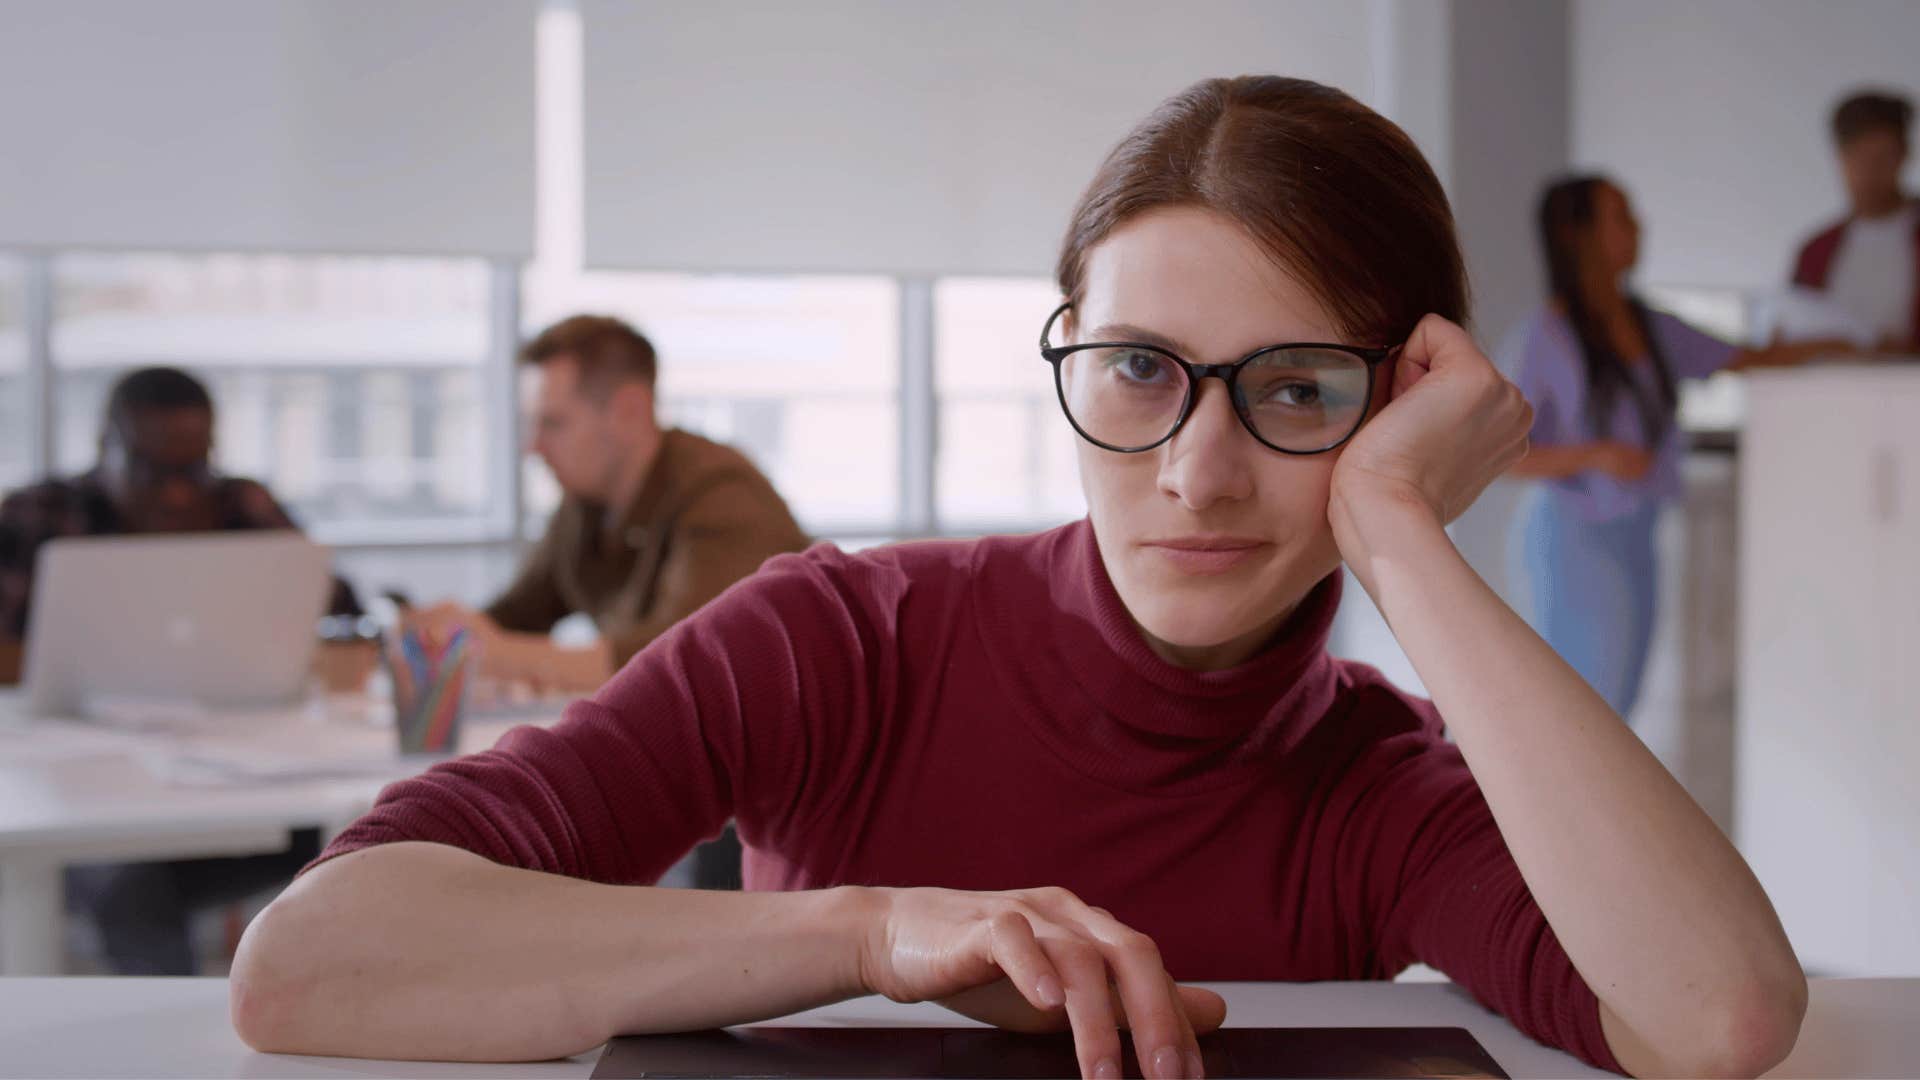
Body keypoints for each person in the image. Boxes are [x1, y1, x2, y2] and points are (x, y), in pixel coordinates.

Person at [232, 78, 1806, 1079]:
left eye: (1301, 390)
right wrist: (871, 940)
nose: (1197, 471)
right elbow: (313, 962)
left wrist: (1401, 533)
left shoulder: (1372, 785)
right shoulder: (842, 638)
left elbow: (1718, 1017)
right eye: (1136, 370)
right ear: (1065, 354)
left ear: (1404, 406)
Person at [0, 365, 361, 974]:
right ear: (104, 450)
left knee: (365, 841)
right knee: (131, 888)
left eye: (194, 471)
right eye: (153, 471)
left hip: (236, 780)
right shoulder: (39, 514)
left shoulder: (241, 505)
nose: (177, 494)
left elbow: (337, 610)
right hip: (78, 796)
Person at [1505, 176, 1856, 720]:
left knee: (1622, 700)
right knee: (1584, 710)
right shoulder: (1545, 336)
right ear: (1578, 235)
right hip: (1573, 540)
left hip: (1638, 534)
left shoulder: (1650, 325)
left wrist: (1844, 344)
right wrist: (1595, 454)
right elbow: (1505, 455)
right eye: (1621, 216)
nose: (1638, 228)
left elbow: (1747, 358)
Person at [405, 315, 809, 694]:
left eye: (554, 423)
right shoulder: (585, 503)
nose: (533, 447)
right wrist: (449, 633)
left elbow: (684, 663)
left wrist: (494, 653)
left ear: (629, 410)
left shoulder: (722, 493)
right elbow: (517, 617)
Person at [1791, 90, 1919, 353]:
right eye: (1858, 158)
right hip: (1832, 389)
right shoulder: (1815, 252)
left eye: (1882, 158)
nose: (1869, 172)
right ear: (1841, 158)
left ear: (1904, 156)